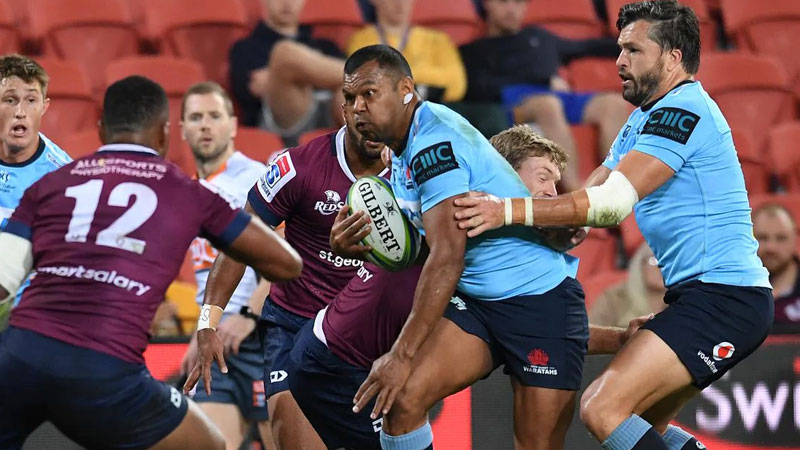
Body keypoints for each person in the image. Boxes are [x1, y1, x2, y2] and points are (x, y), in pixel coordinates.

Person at [452, 2, 773, 449]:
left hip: (725, 298)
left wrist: (506, 210)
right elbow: (590, 198)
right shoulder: (644, 118)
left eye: (634, 50)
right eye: (620, 48)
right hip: (700, 296)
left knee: (602, 408)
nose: (619, 61)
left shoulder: (683, 111)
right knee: (644, 426)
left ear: (673, 57)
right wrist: (542, 229)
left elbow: (611, 204)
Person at [292, 124, 651, 449]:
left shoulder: (550, 249)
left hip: (534, 317)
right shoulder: (446, 204)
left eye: (556, 184)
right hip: (460, 315)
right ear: (502, 171)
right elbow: (397, 235)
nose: (551, 192)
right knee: (404, 401)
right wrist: (346, 244)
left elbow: (557, 333)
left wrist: (620, 339)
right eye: (543, 177)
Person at [0, 75, 302, 450]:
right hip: (105, 367)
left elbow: (3, 280)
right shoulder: (188, 192)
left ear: (102, 130)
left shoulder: (50, 182)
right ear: (165, 133)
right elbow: (287, 263)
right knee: (210, 443)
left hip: (20, 355)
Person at [338, 44, 587, 450]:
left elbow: (446, 259)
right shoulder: (399, 150)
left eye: (369, 93)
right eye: (349, 98)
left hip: (540, 303)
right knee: (402, 402)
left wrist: (401, 355)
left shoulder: (433, 144)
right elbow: (423, 250)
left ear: (406, 90)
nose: (358, 108)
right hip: (479, 305)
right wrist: (360, 246)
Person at [186, 108, 389, 448]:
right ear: (345, 108)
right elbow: (241, 241)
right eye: (357, 98)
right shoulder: (298, 167)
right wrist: (208, 322)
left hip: (366, 333)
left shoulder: (415, 175)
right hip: (294, 325)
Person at [177, 81, 277, 450]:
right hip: (217, 341)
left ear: (233, 126)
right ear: (182, 129)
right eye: (196, 118)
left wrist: (250, 314)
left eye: (214, 116)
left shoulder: (256, 179)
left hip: (262, 336)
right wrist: (202, 329)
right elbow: (207, 274)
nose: (205, 125)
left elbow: (290, 257)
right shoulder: (188, 192)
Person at [460, 0, 630, 188]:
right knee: (548, 104)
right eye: (503, 2)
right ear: (487, 4)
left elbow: (588, 47)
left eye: (518, 2)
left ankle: (614, 187)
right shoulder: (472, 50)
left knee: (612, 103)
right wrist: (545, 78)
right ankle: (576, 192)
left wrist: (632, 42)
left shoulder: (539, 37)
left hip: (555, 97)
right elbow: (478, 88)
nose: (511, 9)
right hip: (514, 102)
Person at [0, 54, 71, 327]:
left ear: (44, 106)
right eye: (10, 100)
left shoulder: (63, 178)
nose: (21, 112)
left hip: (31, 316)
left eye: (31, 100)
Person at [229, 0, 344, 144]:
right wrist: (321, 76)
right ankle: (366, 74)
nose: (287, 3)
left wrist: (279, 76)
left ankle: (367, 144)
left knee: (347, 91)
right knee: (284, 53)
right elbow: (250, 90)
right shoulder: (246, 48)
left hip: (333, 115)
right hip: (284, 123)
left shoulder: (327, 45)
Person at [346, 0, 466, 103]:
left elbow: (456, 86)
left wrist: (395, 76)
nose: (400, 3)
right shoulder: (361, 39)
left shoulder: (437, 40)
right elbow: (361, 83)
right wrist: (423, 80)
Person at [590, 242, 666, 328]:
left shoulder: (678, 302)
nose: (662, 267)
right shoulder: (613, 298)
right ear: (640, 265)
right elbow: (591, 333)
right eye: (654, 260)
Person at [753, 203, 800, 326]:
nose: (771, 247)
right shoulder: (733, 289)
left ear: (795, 238)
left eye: (781, 238)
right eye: (762, 238)